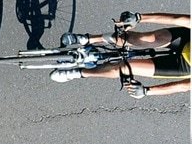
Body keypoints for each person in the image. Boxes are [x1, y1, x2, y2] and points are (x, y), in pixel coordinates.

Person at [50, 12, 190, 97]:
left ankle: (79, 72)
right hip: (186, 39)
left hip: (185, 65)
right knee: (142, 39)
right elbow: (179, 19)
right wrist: (138, 17)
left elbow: (184, 86)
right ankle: (87, 39)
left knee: (124, 69)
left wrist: (147, 91)